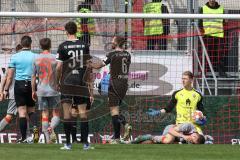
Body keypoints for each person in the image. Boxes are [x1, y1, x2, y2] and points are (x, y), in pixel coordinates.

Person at [56, 21, 93, 150]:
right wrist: (88, 83)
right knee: (83, 113)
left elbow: (59, 67)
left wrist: (57, 81)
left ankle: (67, 144)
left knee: (67, 114)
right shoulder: (84, 45)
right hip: (80, 82)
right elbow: (89, 66)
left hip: (67, 82)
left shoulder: (62, 46)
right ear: (76, 30)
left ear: (66, 31)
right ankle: (85, 144)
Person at [90, 36, 131, 143]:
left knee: (114, 111)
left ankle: (119, 135)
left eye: (113, 41)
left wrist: (89, 64)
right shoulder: (127, 55)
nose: (111, 43)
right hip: (124, 84)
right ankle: (120, 132)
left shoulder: (112, 54)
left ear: (116, 43)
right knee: (116, 110)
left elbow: (100, 65)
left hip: (114, 84)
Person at [3, 36, 39, 143]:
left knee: (22, 112)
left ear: (21, 44)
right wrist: (34, 89)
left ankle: (23, 138)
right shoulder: (36, 56)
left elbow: (9, 76)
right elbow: (38, 74)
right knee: (32, 110)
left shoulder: (15, 56)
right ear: (30, 44)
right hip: (31, 84)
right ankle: (35, 130)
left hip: (19, 85)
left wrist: (5, 89)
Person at [31, 38, 60, 144]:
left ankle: (48, 140)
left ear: (40, 46)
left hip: (41, 89)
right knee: (56, 113)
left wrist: (33, 90)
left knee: (44, 114)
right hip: (53, 89)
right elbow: (59, 71)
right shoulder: (55, 58)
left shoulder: (36, 59)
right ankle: (51, 127)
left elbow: (33, 76)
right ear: (50, 45)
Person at [199, 0, 227, 77]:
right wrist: (202, 32)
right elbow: (200, 23)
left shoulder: (221, 9)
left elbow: (224, 23)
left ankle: (221, 72)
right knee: (206, 54)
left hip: (219, 35)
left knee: (220, 55)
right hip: (207, 35)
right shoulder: (203, 8)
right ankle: (204, 72)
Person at [0, 44, 23, 132]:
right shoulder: (12, 62)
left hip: (16, 91)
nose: (8, 51)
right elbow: (6, 77)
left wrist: (3, 91)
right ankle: (27, 136)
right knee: (24, 113)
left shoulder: (11, 61)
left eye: (9, 50)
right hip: (18, 92)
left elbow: (5, 78)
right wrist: (3, 91)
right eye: (5, 50)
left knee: (24, 114)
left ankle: (27, 136)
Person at [130, 123, 205, 144]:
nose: (191, 140)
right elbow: (171, 130)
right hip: (170, 129)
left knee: (150, 143)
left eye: (193, 142)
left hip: (175, 138)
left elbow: (178, 142)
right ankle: (149, 136)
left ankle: (140, 140)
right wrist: (183, 136)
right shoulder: (189, 126)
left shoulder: (192, 141)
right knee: (168, 140)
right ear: (195, 134)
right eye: (193, 138)